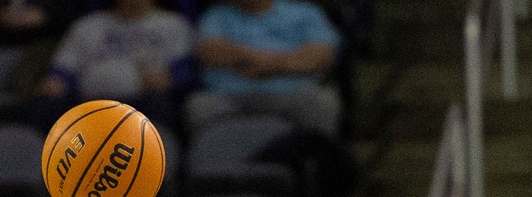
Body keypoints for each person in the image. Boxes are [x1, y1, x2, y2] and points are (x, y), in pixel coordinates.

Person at [189, 0, 343, 137]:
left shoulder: (305, 12)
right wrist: (265, 59)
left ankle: (315, 159)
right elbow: (209, 50)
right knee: (201, 106)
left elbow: (321, 55)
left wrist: (274, 66)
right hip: (229, 95)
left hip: (293, 92)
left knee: (323, 102)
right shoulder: (217, 15)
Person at [39, 0, 196, 123]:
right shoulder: (89, 25)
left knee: (161, 103)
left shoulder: (172, 24)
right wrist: (57, 82)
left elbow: (186, 69)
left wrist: (169, 78)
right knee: (46, 104)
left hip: (144, 101)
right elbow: (63, 70)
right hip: (88, 102)